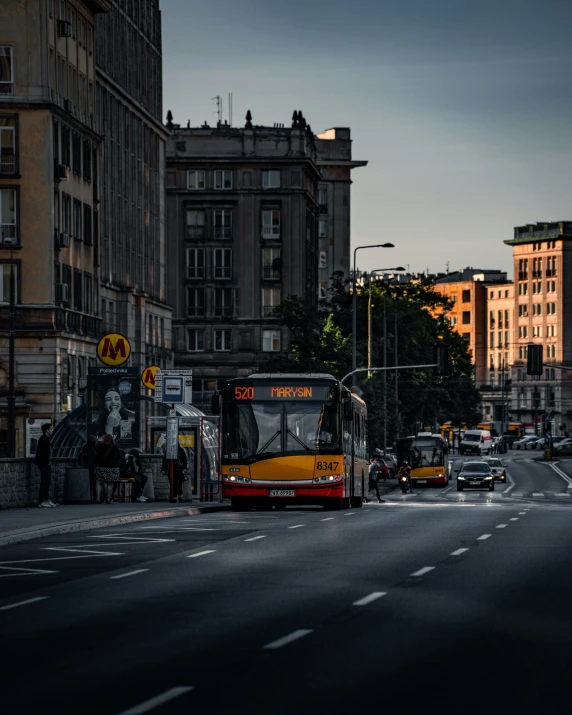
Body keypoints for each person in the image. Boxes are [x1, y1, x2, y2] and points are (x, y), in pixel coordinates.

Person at [93, 434, 120, 504]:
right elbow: (118, 457)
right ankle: (108, 499)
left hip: (102, 467)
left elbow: (97, 456)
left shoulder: (101, 446)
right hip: (112, 468)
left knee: (99, 482)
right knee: (110, 484)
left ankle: (98, 498)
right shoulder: (115, 447)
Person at [35, 423, 56, 508]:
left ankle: (46, 499)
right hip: (44, 464)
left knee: (47, 482)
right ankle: (42, 500)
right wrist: (46, 462)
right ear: (47, 430)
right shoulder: (43, 439)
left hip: (46, 463)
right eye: (51, 429)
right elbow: (42, 453)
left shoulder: (46, 439)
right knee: (44, 482)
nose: (52, 430)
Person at [79, 435, 98, 501]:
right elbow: (95, 456)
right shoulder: (93, 448)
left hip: (86, 467)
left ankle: (88, 496)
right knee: (94, 483)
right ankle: (94, 497)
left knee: (89, 483)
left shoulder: (85, 447)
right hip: (92, 467)